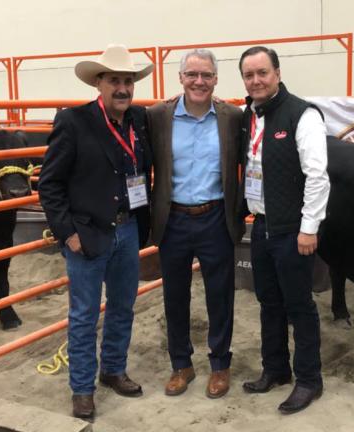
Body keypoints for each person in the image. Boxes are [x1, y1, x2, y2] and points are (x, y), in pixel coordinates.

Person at [38, 44, 153, 421]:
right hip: (87, 234)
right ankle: (82, 389)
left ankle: (114, 369)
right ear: (99, 83)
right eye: (115, 80)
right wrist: (68, 233)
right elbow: (50, 185)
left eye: (128, 81)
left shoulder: (139, 120)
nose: (123, 88)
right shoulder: (73, 122)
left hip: (129, 227)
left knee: (123, 306)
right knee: (84, 315)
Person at [147, 49, 244, 398]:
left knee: (220, 296)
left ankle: (220, 365)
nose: (198, 82)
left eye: (206, 75)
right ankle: (181, 365)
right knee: (175, 296)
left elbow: (246, 166)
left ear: (216, 79)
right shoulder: (158, 115)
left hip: (215, 216)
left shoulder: (233, 117)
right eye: (192, 75)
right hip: (173, 218)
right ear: (181, 78)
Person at [238, 46, 330, 414]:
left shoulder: (303, 115)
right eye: (249, 75)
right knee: (268, 303)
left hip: (293, 232)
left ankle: (309, 380)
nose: (256, 80)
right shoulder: (249, 116)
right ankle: (275, 369)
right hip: (260, 227)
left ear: (277, 72)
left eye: (262, 72)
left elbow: (317, 177)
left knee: (299, 307)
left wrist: (309, 229)